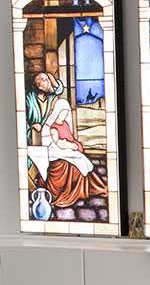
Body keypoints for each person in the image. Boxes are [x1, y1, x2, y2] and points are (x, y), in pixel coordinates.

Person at [30, 72, 106, 208]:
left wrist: (74, 144)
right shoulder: (35, 104)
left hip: (63, 147)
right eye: (41, 80)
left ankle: (92, 187)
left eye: (46, 79)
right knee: (76, 159)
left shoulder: (60, 116)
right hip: (53, 146)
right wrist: (70, 145)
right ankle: (82, 190)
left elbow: (58, 88)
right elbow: (57, 141)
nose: (65, 114)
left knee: (80, 158)